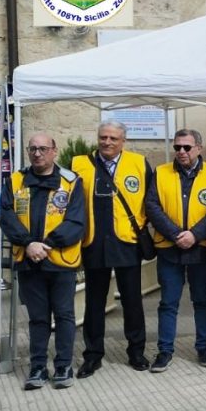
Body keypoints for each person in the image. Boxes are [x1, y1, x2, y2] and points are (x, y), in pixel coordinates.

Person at [0, 134, 85, 390]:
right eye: (33, 148)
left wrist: (46, 244)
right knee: (37, 318)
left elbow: (76, 221)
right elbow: (6, 215)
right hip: (29, 261)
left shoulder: (71, 181)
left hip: (60, 261)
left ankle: (63, 365)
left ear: (54, 151)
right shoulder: (15, 180)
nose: (37, 153)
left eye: (43, 149)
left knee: (64, 315)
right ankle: (38, 366)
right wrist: (28, 243)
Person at [72, 121, 154, 378]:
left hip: (127, 242)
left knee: (132, 301)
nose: (107, 142)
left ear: (123, 141)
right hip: (94, 243)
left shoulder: (139, 163)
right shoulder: (79, 164)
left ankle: (136, 352)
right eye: (103, 137)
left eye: (113, 138)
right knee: (94, 303)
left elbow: (151, 200)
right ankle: (93, 355)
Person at [145, 129, 206, 373]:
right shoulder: (161, 172)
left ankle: (204, 346)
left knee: (202, 300)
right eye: (177, 147)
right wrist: (176, 234)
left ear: (199, 148)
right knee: (168, 302)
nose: (181, 151)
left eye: (187, 147)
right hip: (170, 248)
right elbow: (152, 206)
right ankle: (165, 350)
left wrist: (195, 235)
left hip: (201, 250)